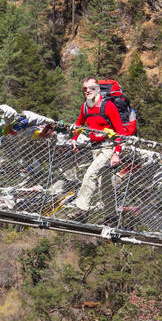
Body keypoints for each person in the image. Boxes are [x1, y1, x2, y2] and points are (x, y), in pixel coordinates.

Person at [69, 77, 128, 222]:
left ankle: (82, 211)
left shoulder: (108, 106)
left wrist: (116, 153)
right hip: (95, 148)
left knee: (90, 174)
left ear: (98, 89)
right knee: (104, 182)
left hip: (109, 147)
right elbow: (79, 124)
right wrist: (74, 139)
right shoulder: (85, 107)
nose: (88, 91)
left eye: (91, 88)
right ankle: (111, 217)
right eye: (85, 89)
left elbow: (121, 132)